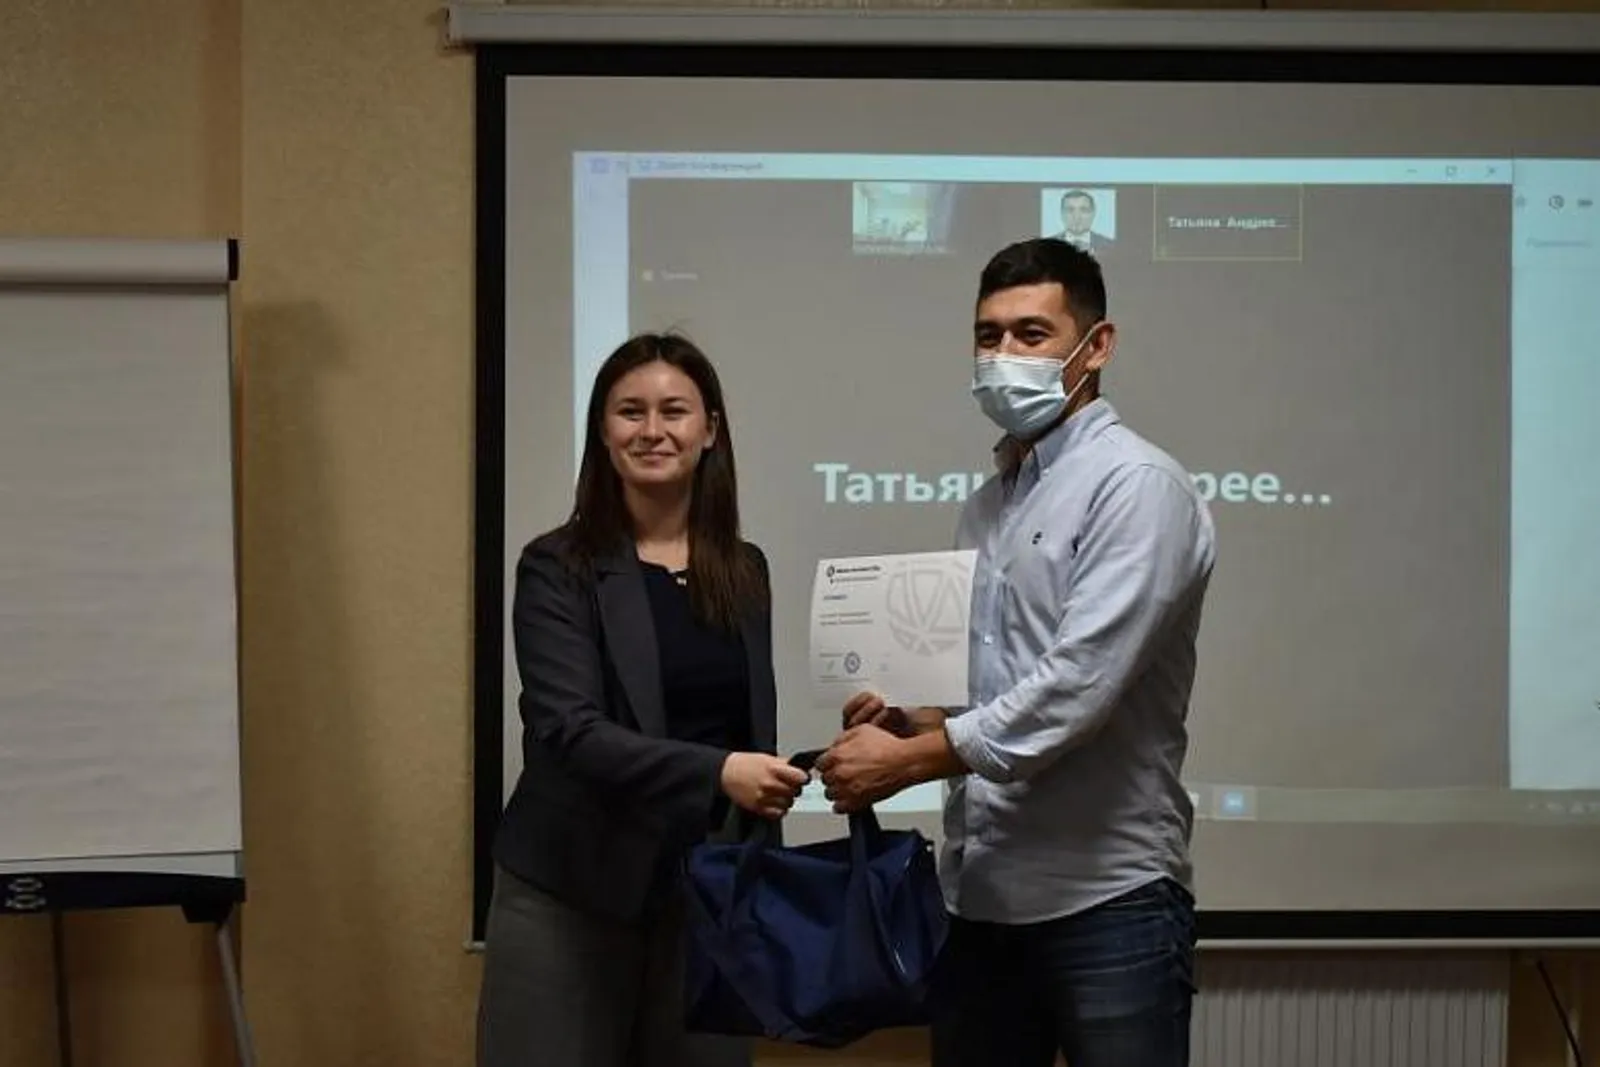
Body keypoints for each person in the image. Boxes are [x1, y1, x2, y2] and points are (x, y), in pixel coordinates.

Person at [816, 238, 1216, 1067]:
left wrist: (913, 760)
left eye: (1031, 334)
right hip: (981, 897)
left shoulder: (1138, 485)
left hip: (1107, 898)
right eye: (987, 335)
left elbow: (1074, 689)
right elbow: (994, 684)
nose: (1003, 356)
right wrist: (915, 720)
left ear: (1096, 346)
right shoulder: (986, 503)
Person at [477, 333, 809, 1067]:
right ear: (603, 430)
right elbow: (570, 731)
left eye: (673, 411)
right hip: (572, 890)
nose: (652, 430)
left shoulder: (744, 569)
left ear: (710, 430)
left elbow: (748, 724)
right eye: (630, 411)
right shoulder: (556, 567)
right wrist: (720, 772)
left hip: (706, 896)